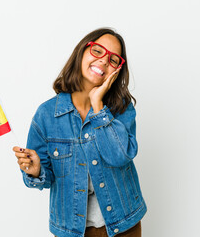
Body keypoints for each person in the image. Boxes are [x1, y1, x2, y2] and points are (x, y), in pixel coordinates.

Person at [13, 28, 147, 237]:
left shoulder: (121, 108)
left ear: (117, 70)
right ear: (82, 52)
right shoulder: (46, 115)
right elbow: (43, 178)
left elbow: (120, 156)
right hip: (72, 231)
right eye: (97, 51)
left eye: (113, 59)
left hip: (124, 226)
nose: (103, 61)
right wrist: (37, 170)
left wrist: (98, 107)